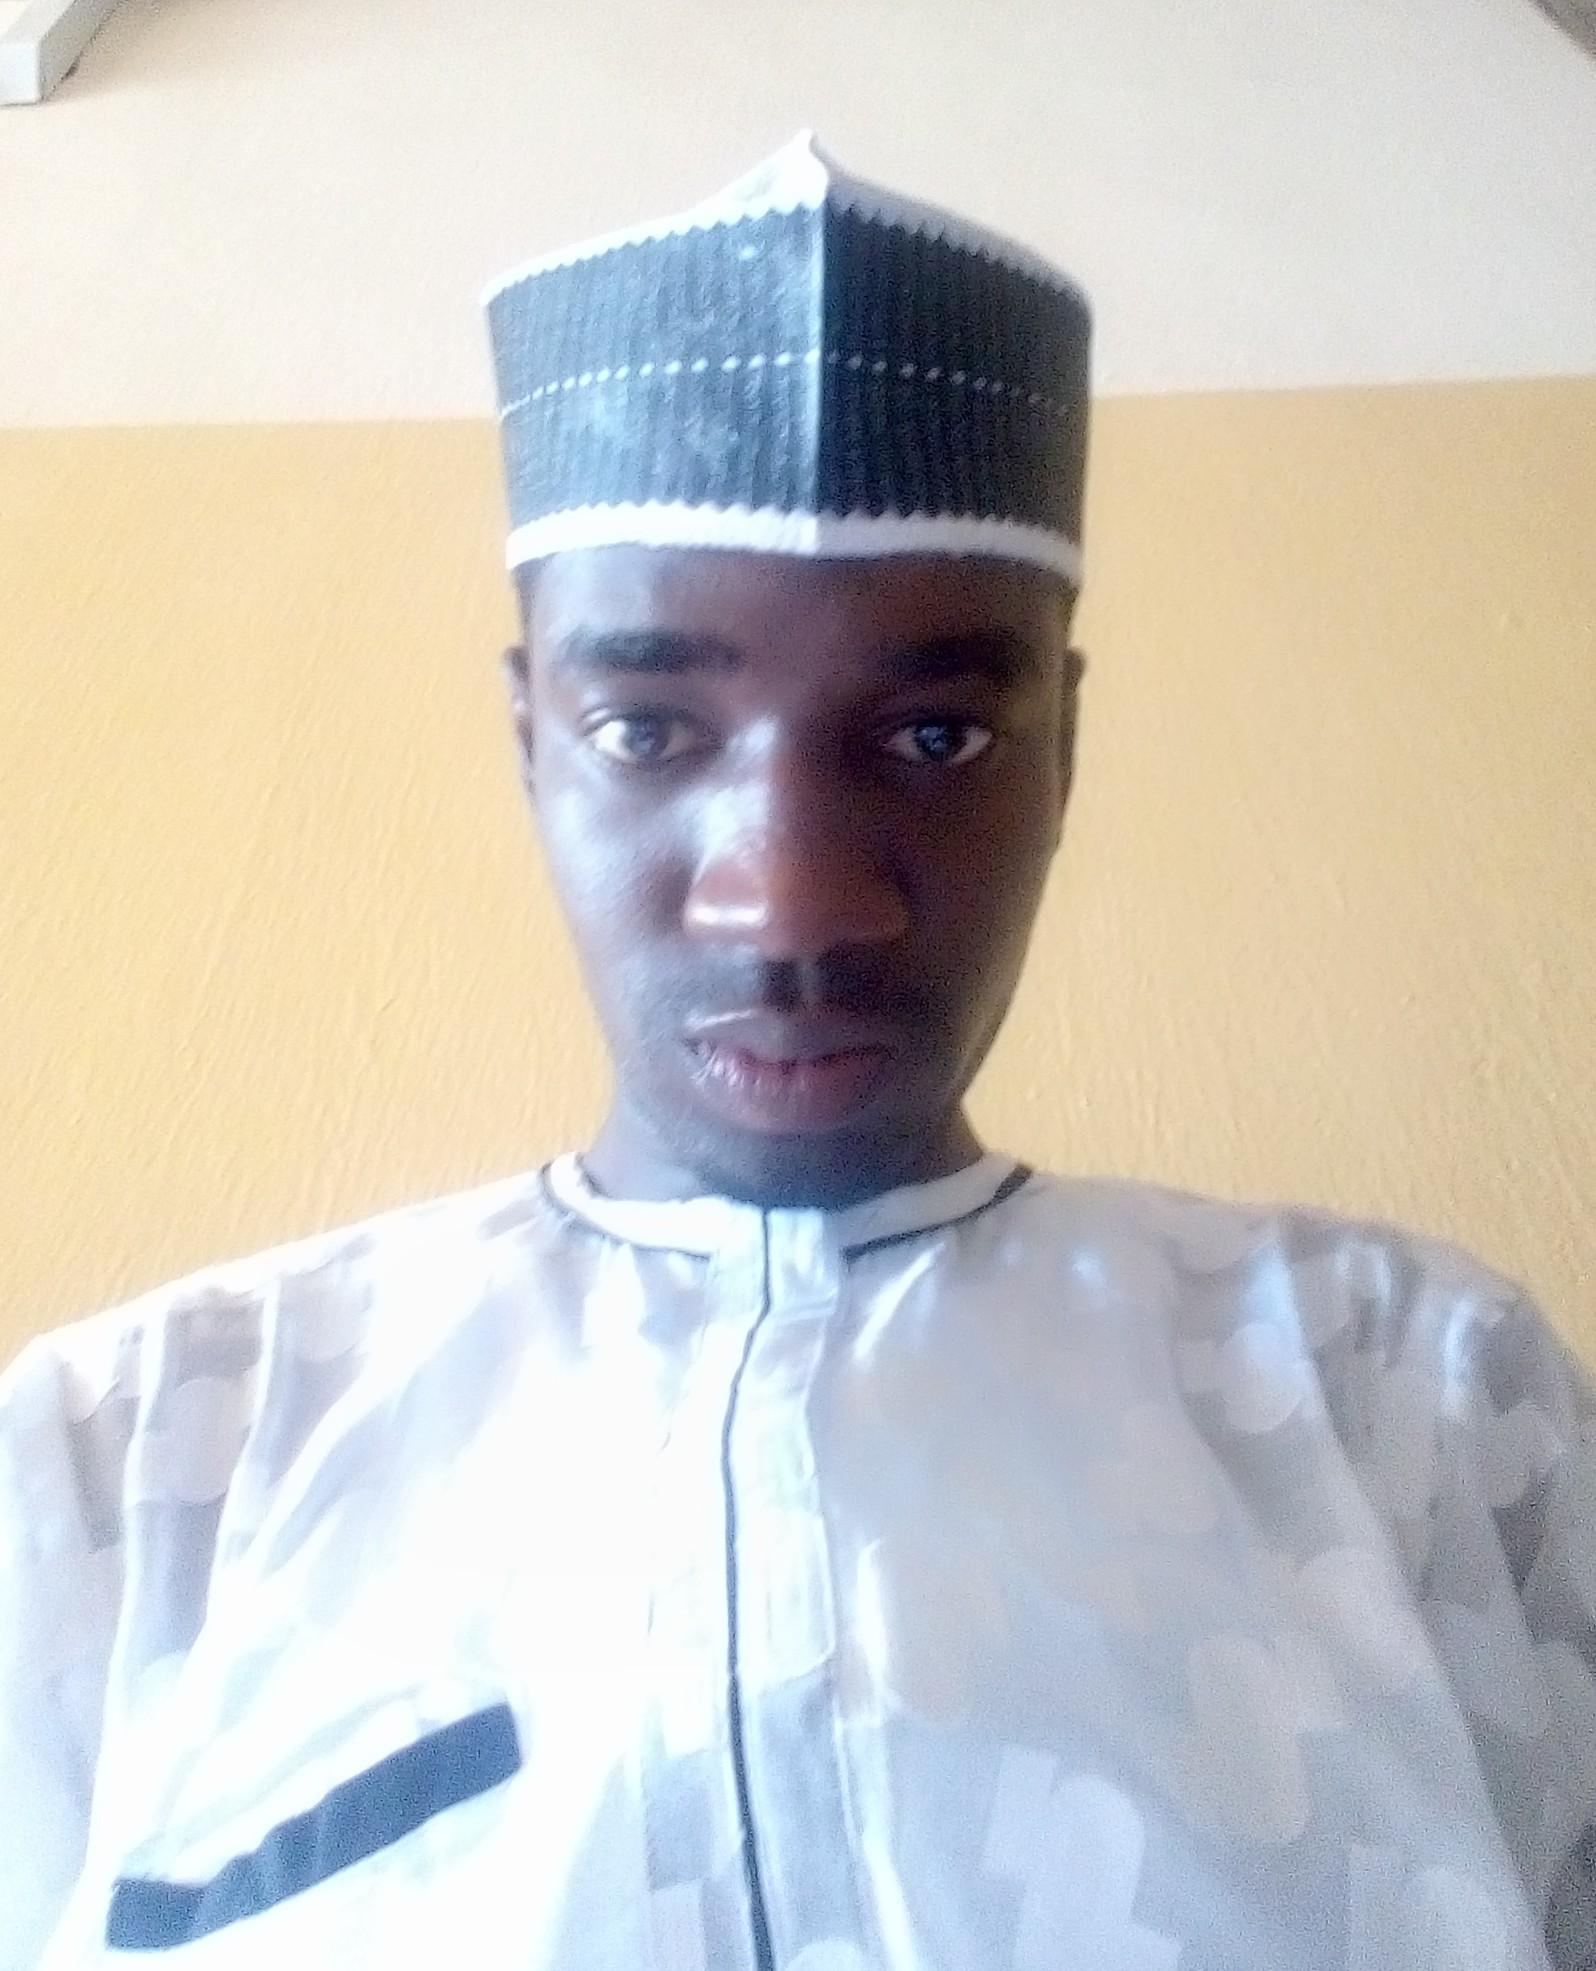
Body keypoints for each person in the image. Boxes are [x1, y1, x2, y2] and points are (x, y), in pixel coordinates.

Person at [2, 133, 1593, 1971]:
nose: (794, 901)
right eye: (648, 730)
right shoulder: (131, 1469)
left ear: (1062, 751)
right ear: (531, 739)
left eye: (933, 739)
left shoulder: (1422, 1405)